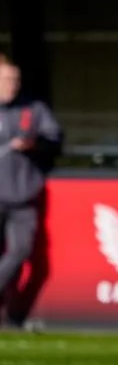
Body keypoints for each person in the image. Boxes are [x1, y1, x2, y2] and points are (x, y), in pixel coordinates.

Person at [0, 60, 62, 315]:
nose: (12, 85)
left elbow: (55, 139)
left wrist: (35, 144)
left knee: (20, 250)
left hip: (23, 195)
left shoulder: (33, 109)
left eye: (15, 80)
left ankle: (13, 314)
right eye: (6, 80)